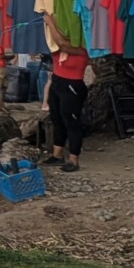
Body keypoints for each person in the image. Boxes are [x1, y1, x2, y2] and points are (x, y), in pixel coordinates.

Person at [45, 43, 89, 172]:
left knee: (71, 122)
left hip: (72, 84)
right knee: (57, 119)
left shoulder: (81, 45)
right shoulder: (58, 43)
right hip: (57, 82)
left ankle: (73, 160)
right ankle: (57, 155)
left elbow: (63, 47)